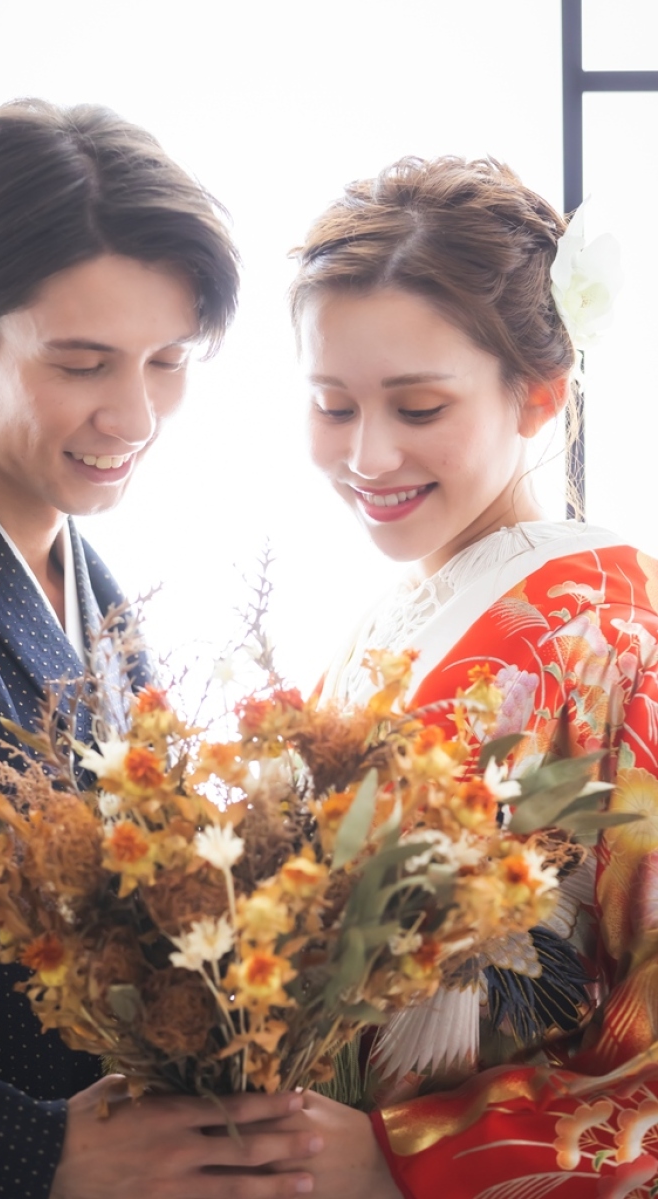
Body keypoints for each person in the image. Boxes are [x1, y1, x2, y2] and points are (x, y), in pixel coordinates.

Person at [0, 99, 324, 1199]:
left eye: (167, 360)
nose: (135, 415)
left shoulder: (92, 594)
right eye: (81, 364)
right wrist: (32, 1148)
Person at [273, 156, 658, 1197]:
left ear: (539, 394)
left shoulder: (617, 634)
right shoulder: (383, 621)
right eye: (331, 403)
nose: (368, 453)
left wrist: (415, 1157)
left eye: (417, 405)